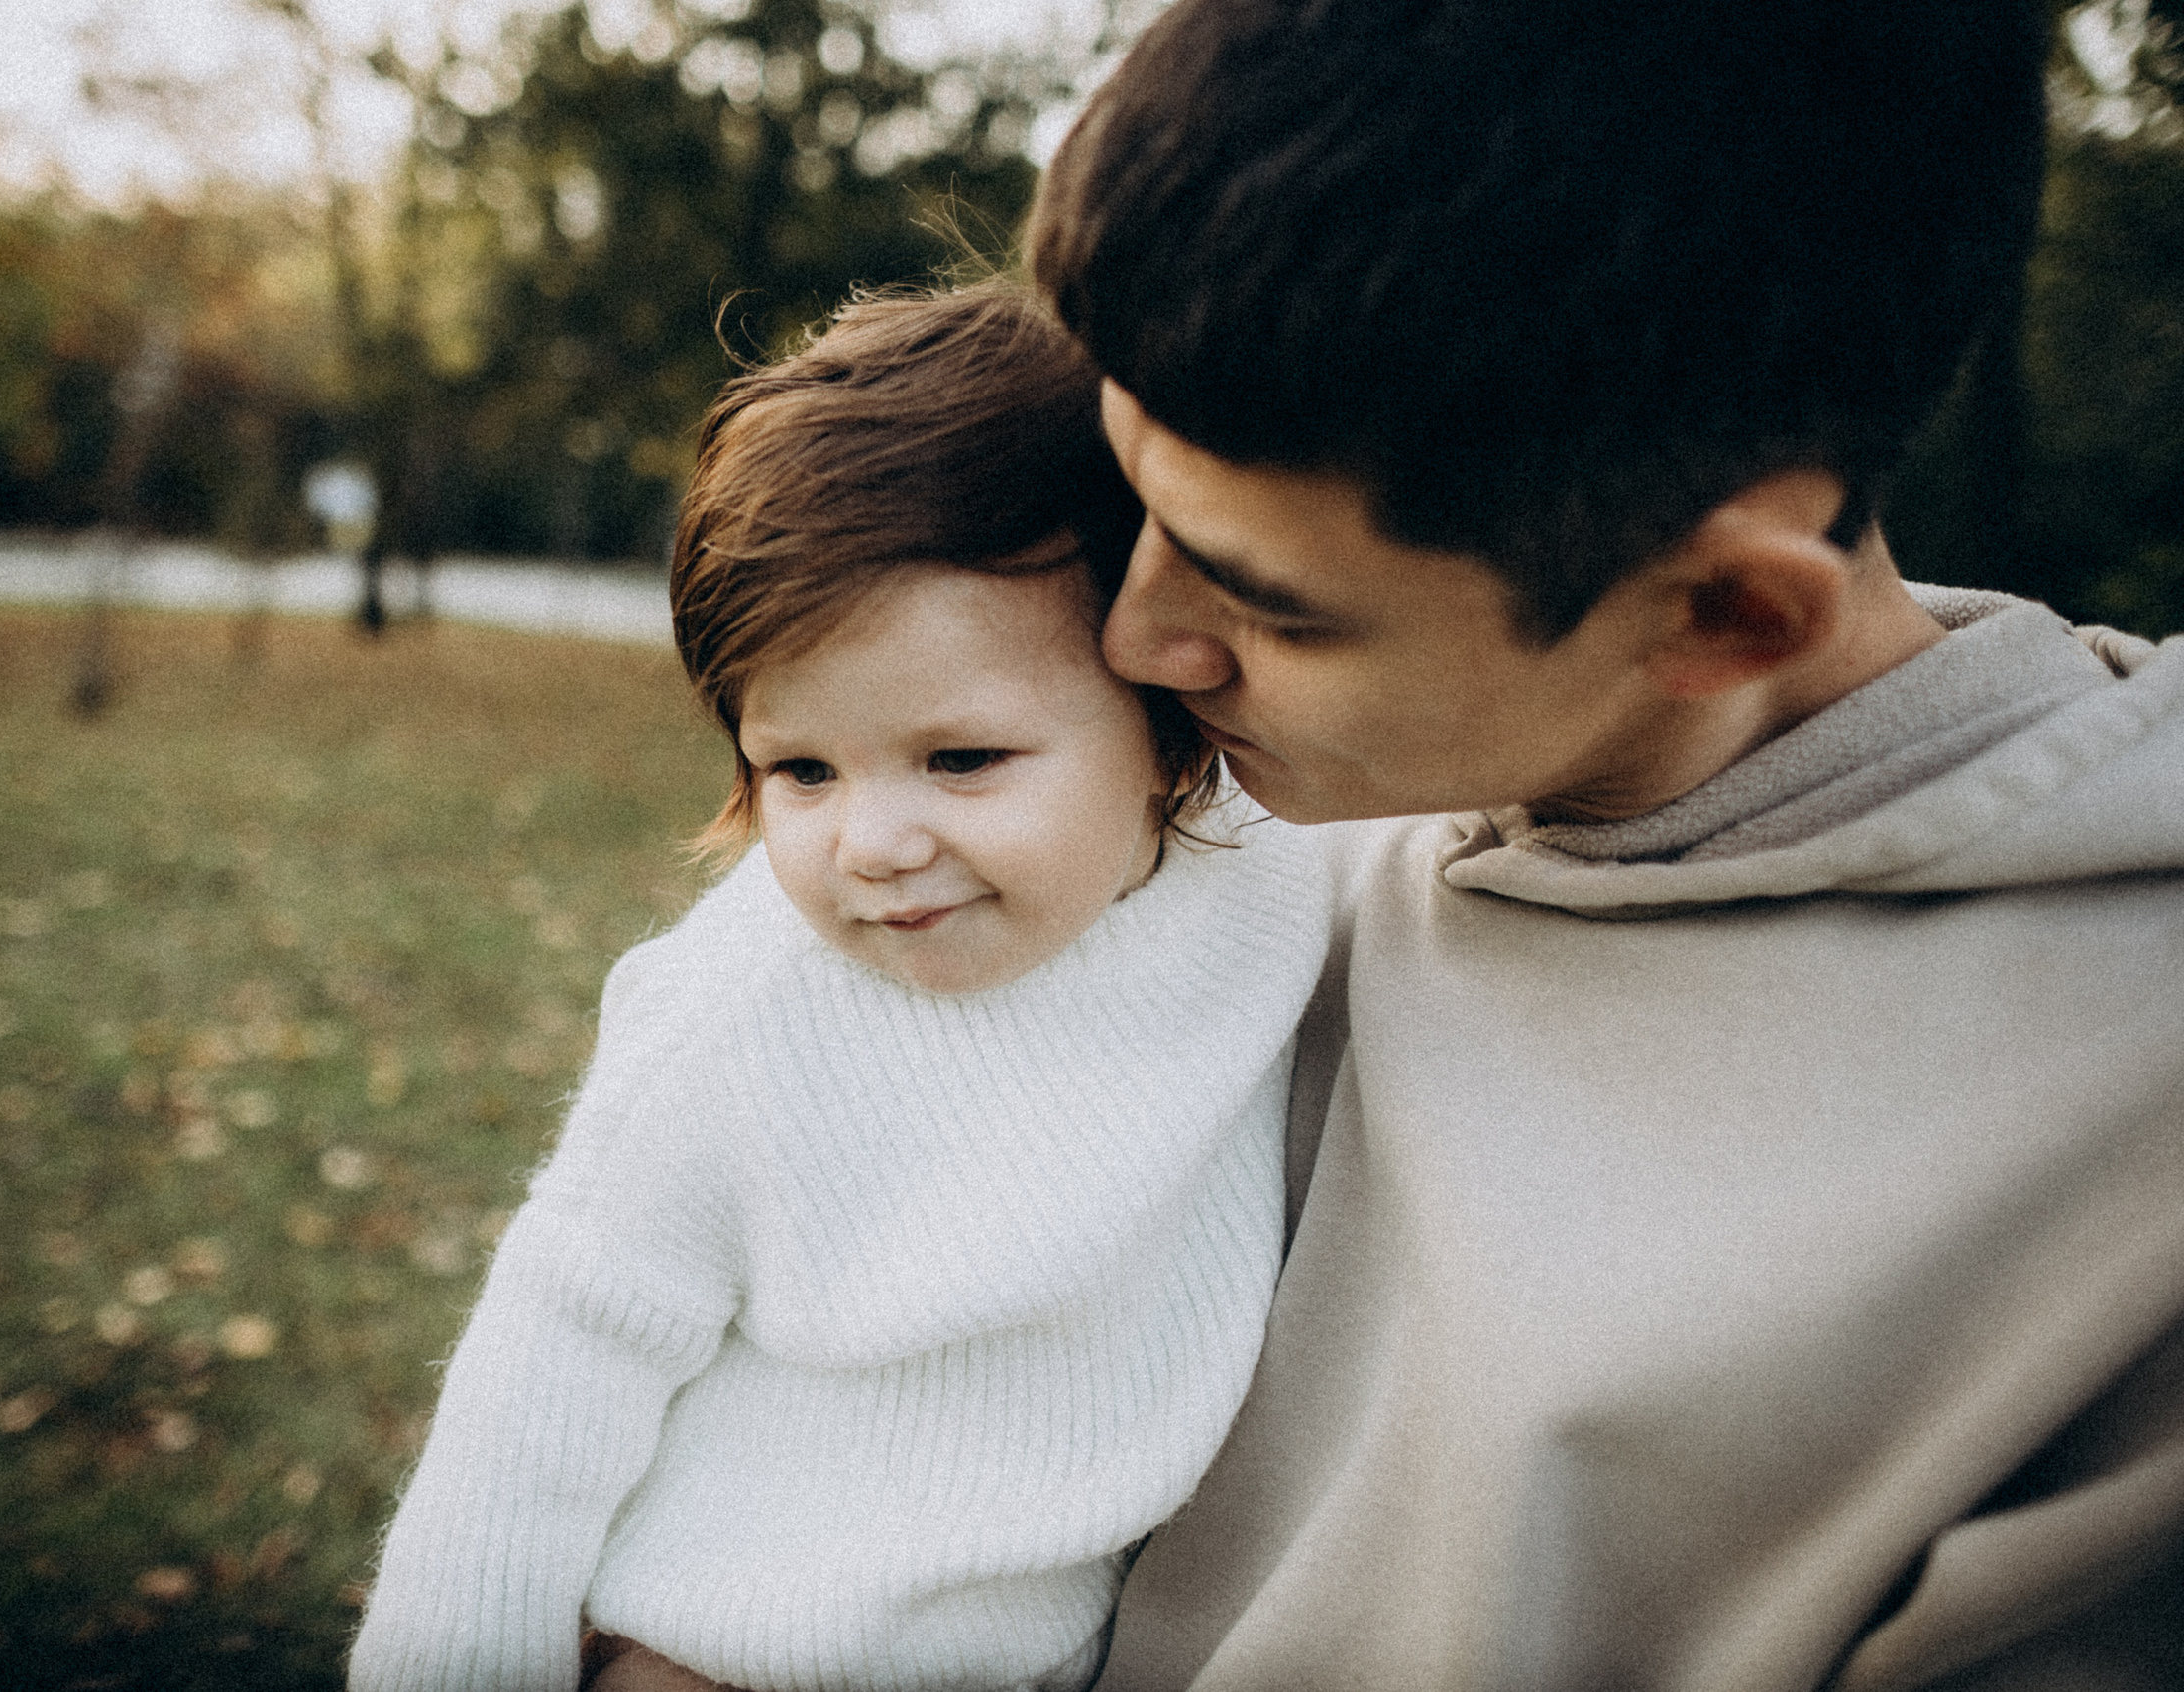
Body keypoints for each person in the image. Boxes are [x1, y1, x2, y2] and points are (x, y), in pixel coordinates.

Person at [1012, 0, 2184, 1687]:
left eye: (1269, 603)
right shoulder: (1232, 814)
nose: (1135, 644)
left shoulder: (2127, 1170)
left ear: (1721, 610)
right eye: (1140, 511)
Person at [346, 286, 1336, 1692]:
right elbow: (552, 1367)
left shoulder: (1279, 880)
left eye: (962, 760)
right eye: (799, 769)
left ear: (1170, 733)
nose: (870, 845)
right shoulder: (744, 1012)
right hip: (743, 1657)